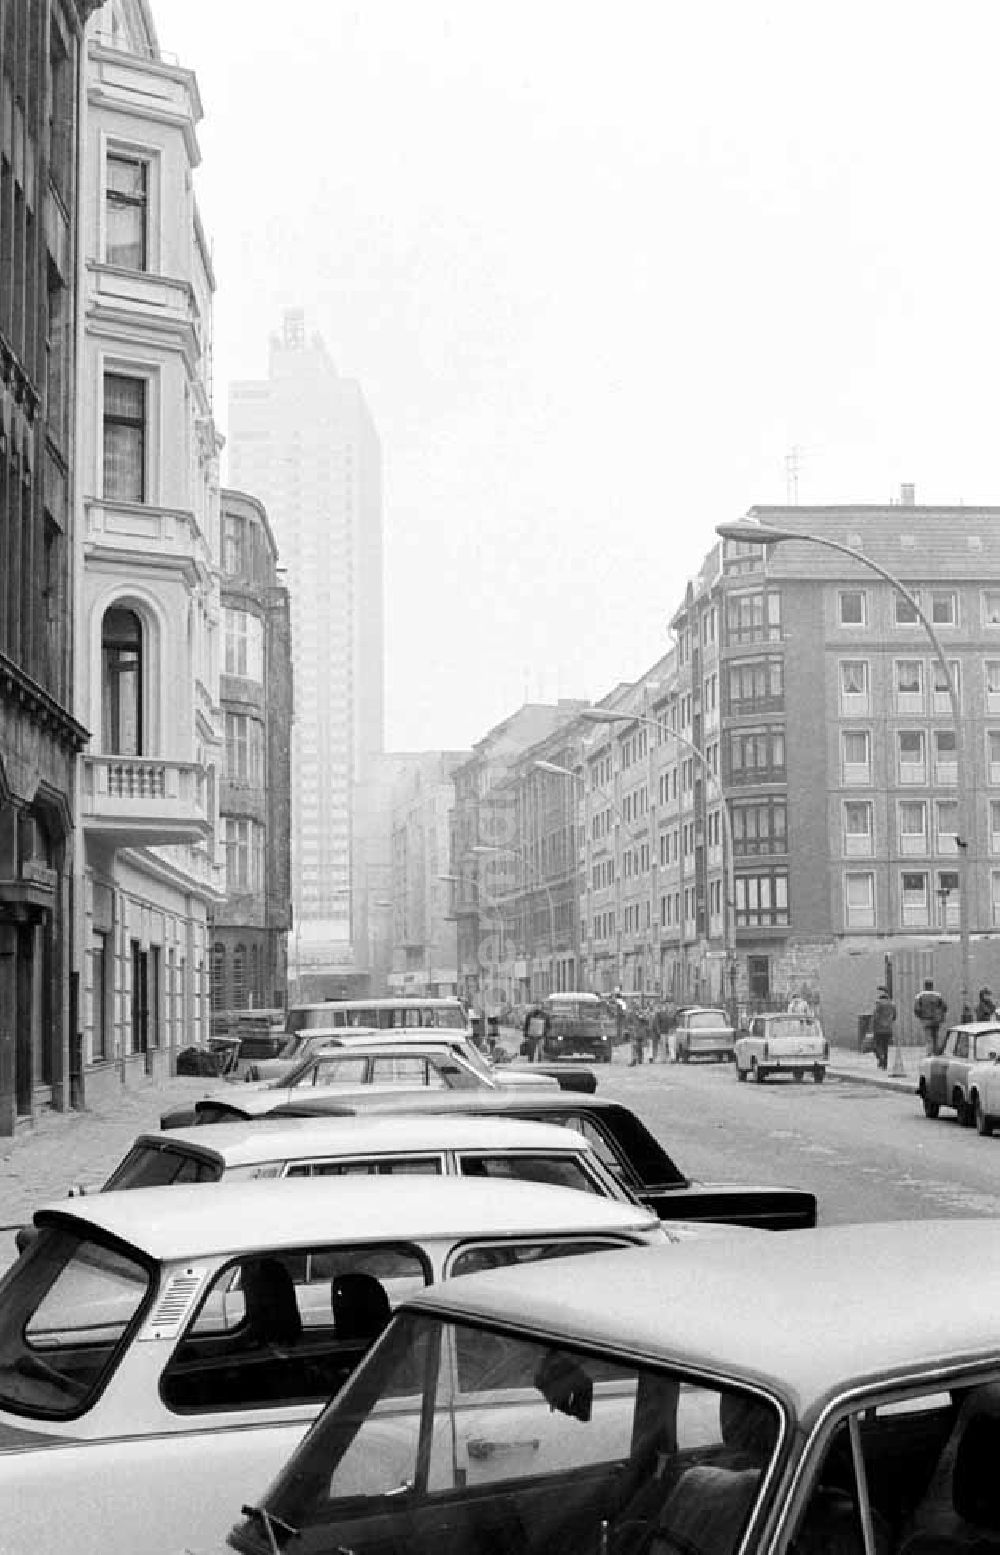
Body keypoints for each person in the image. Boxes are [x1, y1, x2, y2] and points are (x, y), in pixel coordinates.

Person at [914, 977, 948, 1056]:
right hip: (936, 1020)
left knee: (928, 1037)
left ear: (924, 986)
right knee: (935, 1036)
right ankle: (936, 1052)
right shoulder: (938, 995)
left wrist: (921, 1016)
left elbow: (916, 1009)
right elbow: (945, 1007)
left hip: (925, 1019)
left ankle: (929, 1052)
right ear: (932, 986)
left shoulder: (919, 996)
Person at [872, 985, 896, 1071]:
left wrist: (873, 1025)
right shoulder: (892, 1003)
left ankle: (880, 1058)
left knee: (876, 1045)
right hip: (888, 1028)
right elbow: (894, 1016)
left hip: (879, 1028)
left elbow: (875, 1016)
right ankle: (884, 1064)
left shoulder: (878, 1003)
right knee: (885, 1046)